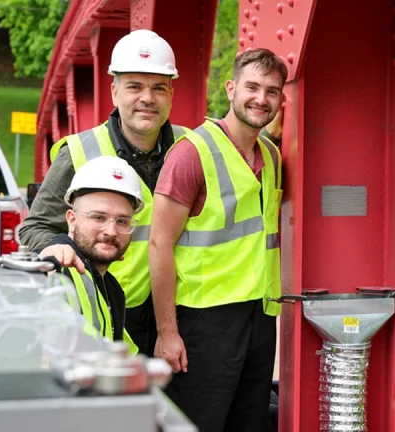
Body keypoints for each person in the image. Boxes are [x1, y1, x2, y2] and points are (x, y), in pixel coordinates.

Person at [18, 29, 188, 357]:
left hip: (182, 315)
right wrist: (58, 244)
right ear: (114, 91)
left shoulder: (191, 148)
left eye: (158, 88)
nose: (147, 99)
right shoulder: (80, 151)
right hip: (115, 311)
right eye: (134, 87)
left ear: (171, 93)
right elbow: (33, 228)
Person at [149, 48, 285, 432]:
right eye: (252, 87)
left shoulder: (272, 156)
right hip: (203, 321)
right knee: (199, 424)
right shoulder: (192, 153)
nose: (261, 98)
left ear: (281, 99)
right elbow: (159, 245)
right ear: (231, 88)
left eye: (272, 91)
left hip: (259, 317)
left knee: (250, 422)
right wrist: (167, 332)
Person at [38, 156, 144, 353]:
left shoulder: (110, 287)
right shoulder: (58, 271)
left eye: (122, 221)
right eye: (98, 217)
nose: (111, 231)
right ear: (72, 220)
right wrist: (48, 255)